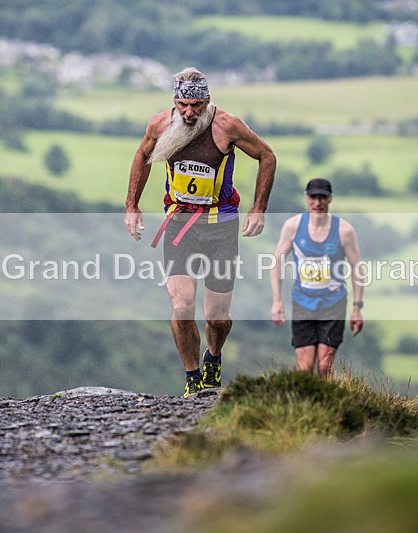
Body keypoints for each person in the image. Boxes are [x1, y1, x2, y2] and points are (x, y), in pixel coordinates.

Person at [125, 67, 276, 398]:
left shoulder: (227, 125)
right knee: (181, 307)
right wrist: (132, 205)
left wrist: (259, 208)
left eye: (196, 105)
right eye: (182, 105)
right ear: (174, 102)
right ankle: (193, 377)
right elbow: (142, 155)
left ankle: (214, 358)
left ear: (207, 100)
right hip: (179, 224)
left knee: (217, 319)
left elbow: (267, 156)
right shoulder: (160, 124)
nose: (189, 112)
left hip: (220, 227)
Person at [270, 178, 364, 379]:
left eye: (322, 197)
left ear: (330, 199)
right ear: (306, 197)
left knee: (324, 366)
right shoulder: (293, 226)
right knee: (304, 369)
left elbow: (357, 268)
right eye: (313, 197)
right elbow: (277, 262)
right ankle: (306, 400)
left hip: (333, 303)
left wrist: (357, 308)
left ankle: (326, 399)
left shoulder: (344, 230)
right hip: (302, 302)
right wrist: (277, 301)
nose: (317, 203)